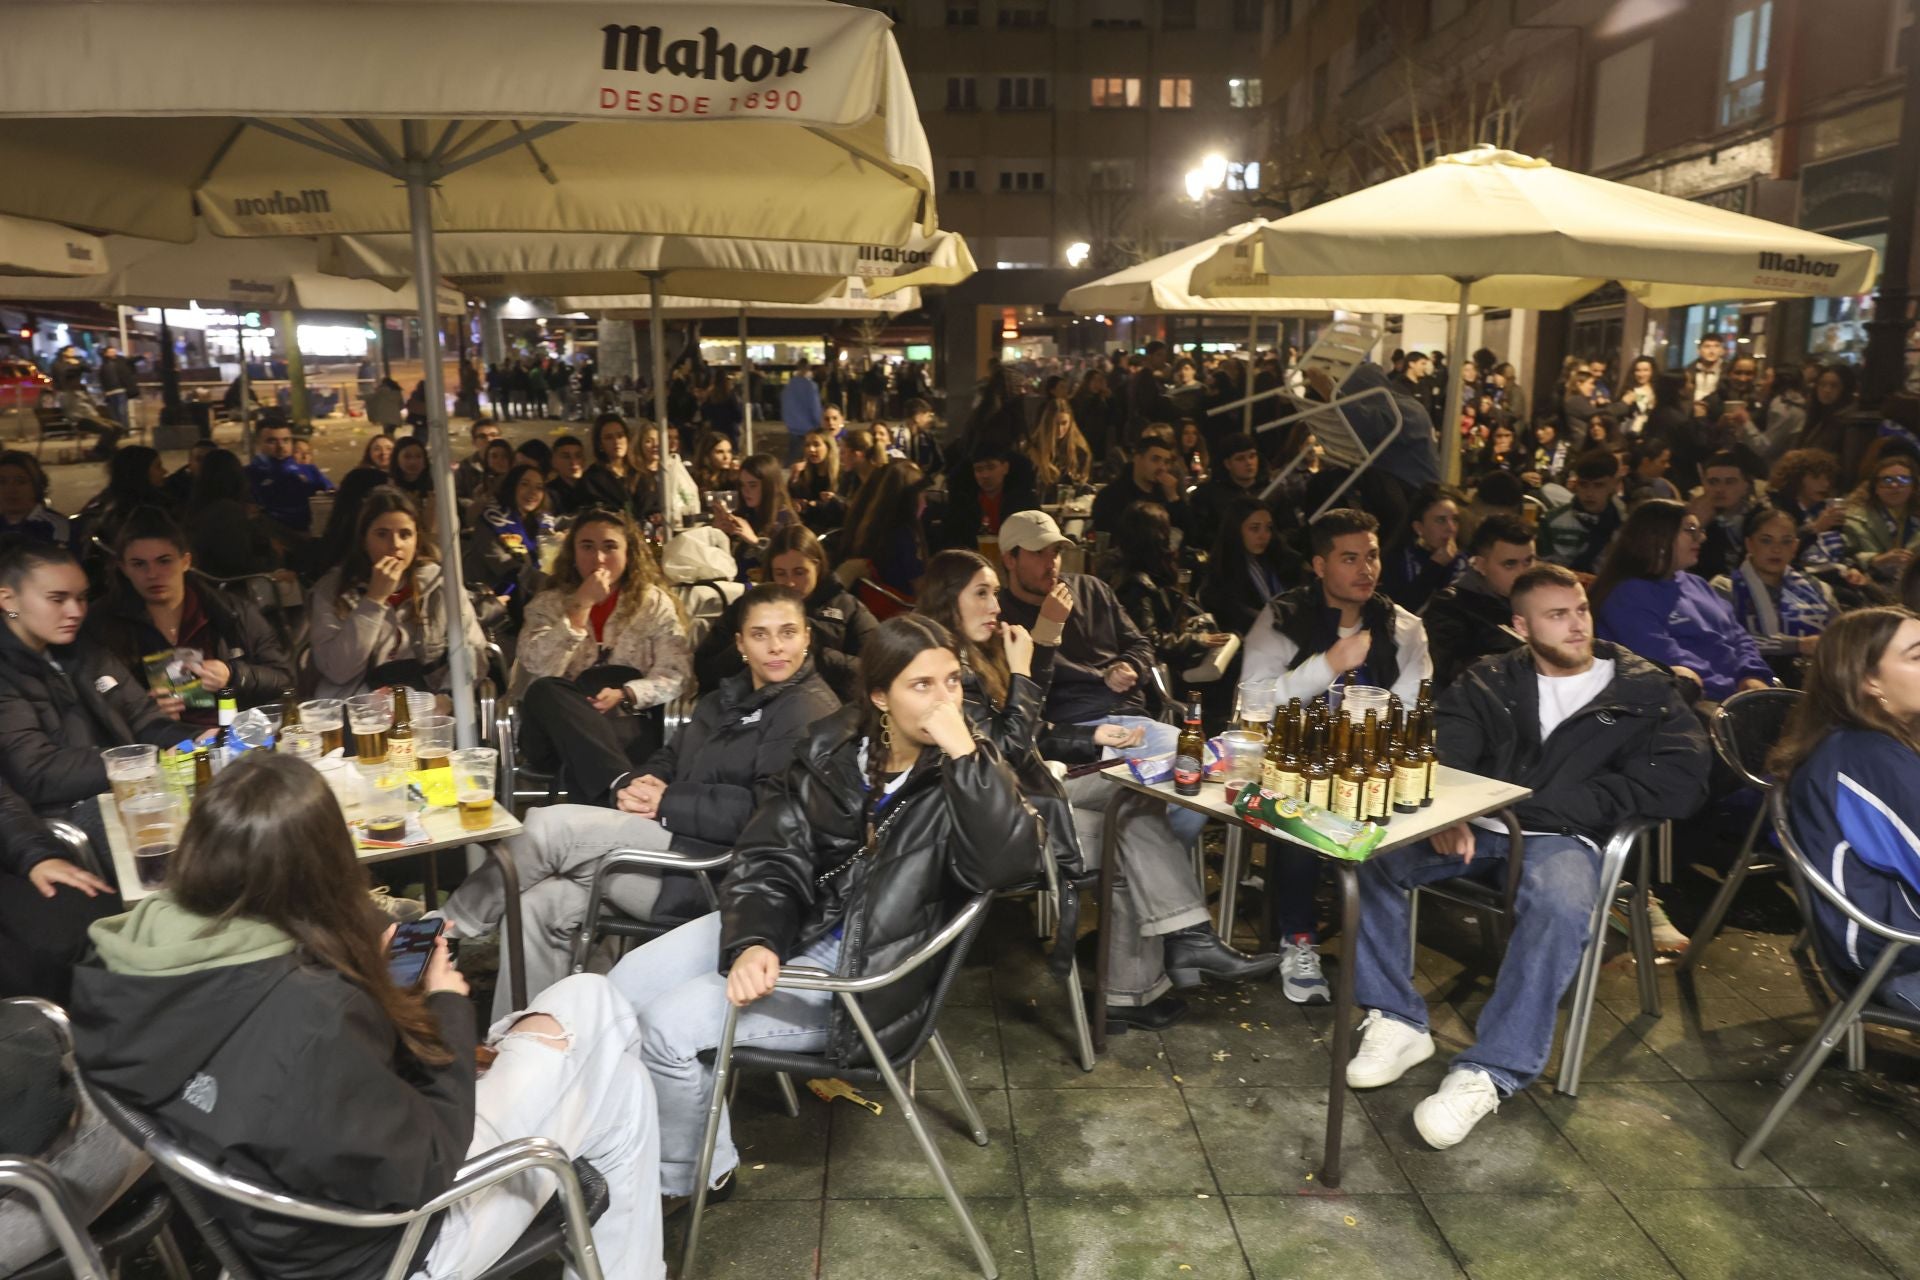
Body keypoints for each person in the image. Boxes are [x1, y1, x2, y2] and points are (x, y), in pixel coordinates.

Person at [68, 752, 665, 1278]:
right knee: (593, 1001)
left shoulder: (122, 963)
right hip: (390, 1248)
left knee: (620, 1091)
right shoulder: (312, 1016)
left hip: (262, 1221)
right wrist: (447, 1004)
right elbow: (428, 1162)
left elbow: (272, 1073)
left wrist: (364, 974)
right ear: (325, 864)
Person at [604, 616, 1038, 1200]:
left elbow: (1008, 867)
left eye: (953, 682)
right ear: (881, 696)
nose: (946, 701)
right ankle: (617, 1144)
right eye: (923, 685)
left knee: (666, 1030)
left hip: (864, 970)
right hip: (795, 920)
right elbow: (768, 853)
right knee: (618, 991)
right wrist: (756, 938)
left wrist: (965, 753)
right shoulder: (832, 749)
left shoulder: (968, 767)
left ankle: (690, 1177)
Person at [1344, 563, 1710, 1148]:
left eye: (1581, 610)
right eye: (1557, 615)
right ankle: (1396, 1018)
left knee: (1564, 906)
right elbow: (1444, 745)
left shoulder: (1643, 690)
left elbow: (1681, 781)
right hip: (1479, 826)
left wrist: (1546, 806)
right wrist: (1453, 810)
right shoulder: (1489, 679)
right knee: (1368, 854)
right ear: (1521, 625)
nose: (1575, 626)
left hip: (1564, 835)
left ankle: (1491, 1069)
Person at [443, 585, 838, 1017]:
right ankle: (526, 1044)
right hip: (676, 844)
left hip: (728, 877)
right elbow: (674, 754)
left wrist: (669, 801)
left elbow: (772, 816)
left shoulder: (806, 709)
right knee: (539, 906)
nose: (777, 646)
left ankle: (443, 933)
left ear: (807, 638)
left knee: (546, 828)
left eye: (788, 632)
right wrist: (646, 783)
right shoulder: (725, 697)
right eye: (760, 635)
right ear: (741, 645)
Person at [992, 511, 1277, 1019]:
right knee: (1178, 776)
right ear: (1009, 558)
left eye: (1057, 550)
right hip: (1075, 743)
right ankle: (1181, 936)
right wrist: (1046, 632)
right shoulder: (1006, 620)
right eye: (1038, 553)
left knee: (1172, 785)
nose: (1052, 562)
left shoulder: (1093, 589)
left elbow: (1143, 642)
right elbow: (1025, 708)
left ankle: (1168, 940)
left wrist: (1132, 666)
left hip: (1131, 722)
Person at [1771, 606, 1920, 1015]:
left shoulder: (1878, 743)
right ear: (1869, 680)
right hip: (1900, 959)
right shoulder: (1867, 758)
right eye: (1917, 655)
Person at [0, 541, 194, 851]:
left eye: (81, 598)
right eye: (57, 599)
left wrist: (196, 740)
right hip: (66, 817)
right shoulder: (6, 673)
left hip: (131, 792)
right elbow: (36, 772)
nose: (75, 611)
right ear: (8, 599)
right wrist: (142, 763)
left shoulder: (84, 649)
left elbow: (145, 718)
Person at [507, 509, 692, 792]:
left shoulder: (653, 603)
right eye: (587, 547)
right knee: (545, 689)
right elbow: (536, 666)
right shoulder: (548, 603)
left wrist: (627, 694)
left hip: (625, 722)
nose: (599, 558)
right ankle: (622, 789)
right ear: (573, 552)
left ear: (629, 553)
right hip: (553, 732)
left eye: (610, 547)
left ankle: (612, 791)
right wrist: (579, 608)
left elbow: (677, 674)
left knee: (596, 752)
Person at [86, 508, 294, 726]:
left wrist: (232, 675)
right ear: (124, 568)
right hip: (158, 746)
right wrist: (143, 710)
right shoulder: (103, 623)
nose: (152, 574)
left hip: (234, 736)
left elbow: (284, 679)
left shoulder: (230, 611)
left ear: (185, 562)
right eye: (139, 564)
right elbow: (91, 702)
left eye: (164, 561)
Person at [307, 486, 487, 699]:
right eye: (382, 534)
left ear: (416, 540)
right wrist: (374, 600)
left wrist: (448, 697)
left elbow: (472, 648)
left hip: (426, 702)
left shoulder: (438, 583)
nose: (395, 545)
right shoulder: (333, 589)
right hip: (358, 707)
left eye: (405, 534)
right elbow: (338, 671)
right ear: (364, 540)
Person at [1240, 508, 1432, 704]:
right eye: (1350, 559)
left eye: (1372, 556)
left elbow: (1409, 712)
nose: (1366, 570)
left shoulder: (1405, 628)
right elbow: (1253, 703)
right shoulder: (1282, 619)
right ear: (1320, 567)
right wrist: (1328, 665)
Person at [1592, 498, 1774, 702]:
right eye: (1690, 531)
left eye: (1700, 530)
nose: (1702, 538)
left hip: (1740, 694)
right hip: (1693, 705)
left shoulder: (1697, 583)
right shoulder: (1625, 596)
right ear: (1658, 538)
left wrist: (1752, 675)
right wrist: (1737, 692)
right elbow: (1665, 660)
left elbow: (1738, 635)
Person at [693, 523, 876, 700]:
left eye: (799, 572)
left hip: (827, 710)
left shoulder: (846, 607)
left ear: (817, 567)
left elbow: (878, 670)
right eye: (781, 573)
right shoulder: (748, 608)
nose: (790, 583)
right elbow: (706, 670)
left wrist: (817, 655)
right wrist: (748, 651)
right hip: (755, 710)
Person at [1712, 505, 1838, 684]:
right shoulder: (1725, 587)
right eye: (1766, 540)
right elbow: (1724, 641)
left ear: (1795, 546)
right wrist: (1797, 644)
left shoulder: (1818, 588)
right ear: (1749, 544)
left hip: (1817, 682)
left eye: (1786, 541)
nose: (1776, 549)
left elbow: (1842, 637)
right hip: (1749, 682)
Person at [1110, 501, 1230, 680]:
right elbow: (1149, 640)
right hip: (1164, 674)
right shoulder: (1136, 585)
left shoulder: (1144, 575)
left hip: (1170, 665)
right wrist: (1197, 641)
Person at [1423, 514, 1536, 689]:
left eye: (1528, 561)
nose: (1523, 573)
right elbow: (1457, 673)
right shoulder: (1450, 607)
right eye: (1510, 564)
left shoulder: (1542, 601)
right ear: (1480, 565)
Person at [1199, 496, 1302, 638]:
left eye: (1269, 528)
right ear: (1236, 530)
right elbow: (1235, 617)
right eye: (1254, 528)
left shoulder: (1284, 560)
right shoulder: (1221, 574)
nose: (1263, 535)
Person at [469, 461, 558, 604]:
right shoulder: (490, 521)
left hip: (537, 596)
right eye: (525, 484)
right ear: (512, 486)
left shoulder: (541, 521)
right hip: (496, 601)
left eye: (539, 487)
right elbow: (504, 565)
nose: (532, 492)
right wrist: (550, 582)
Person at [936, 440, 1040, 555]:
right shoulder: (963, 504)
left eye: (991, 467)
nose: (985, 475)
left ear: (1005, 468)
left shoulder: (1024, 501)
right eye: (979, 469)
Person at [844, 460, 930, 598]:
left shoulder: (869, 525)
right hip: (902, 609)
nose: (925, 504)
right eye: (922, 495)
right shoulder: (904, 535)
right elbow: (921, 590)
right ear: (910, 498)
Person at [1089, 427, 1189, 540]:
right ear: (1137, 458)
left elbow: (1187, 533)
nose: (1162, 467)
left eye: (1166, 462)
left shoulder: (1165, 493)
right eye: (1155, 459)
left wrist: (1173, 498)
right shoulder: (1111, 495)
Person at [1537, 449, 1625, 575]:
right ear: (1576, 484)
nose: (1589, 493)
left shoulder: (1624, 525)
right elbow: (1541, 571)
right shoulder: (1551, 521)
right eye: (1584, 485)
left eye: (1598, 485)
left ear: (1613, 484)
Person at [1381, 485, 1466, 613]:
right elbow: (1400, 612)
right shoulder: (1396, 559)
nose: (1451, 528)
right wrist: (1435, 566)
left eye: (1455, 520)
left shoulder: (1464, 562)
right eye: (1441, 520)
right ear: (1419, 528)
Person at [709, 452, 795, 577]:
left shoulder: (785, 519)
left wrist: (755, 541)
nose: (746, 491)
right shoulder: (747, 515)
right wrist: (719, 532)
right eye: (742, 485)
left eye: (753, 485)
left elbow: (786, 567)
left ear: (769, 486)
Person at [1842, 448, 1920, 584]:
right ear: (1875, 488)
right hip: (1872, 586)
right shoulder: (1853, 520)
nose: (1895, 485)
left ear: (1913, 487)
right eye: (1887, 480)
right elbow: (1843, 558)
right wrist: (1875, 560)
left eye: (1903, 480)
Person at [1187, 432, 1265, 552]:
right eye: (1240, 458)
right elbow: (1199, 534)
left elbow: (1288, 528)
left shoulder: (1272, 490)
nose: (1249, 463)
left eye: (1252, 456)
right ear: (1227, 464)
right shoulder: (1208, 495)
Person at [246, 422, 328, 535]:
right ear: (258, 443)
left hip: (304, 536)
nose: (281, 446)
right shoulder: (249, 474)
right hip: (266, 538)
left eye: (286, 440)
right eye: (272, 441)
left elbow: (332, 495)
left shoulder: (309, 470)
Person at [1691, 450, 1760, 581]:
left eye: (1730, 482)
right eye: (1713, 482)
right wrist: (1696, 527)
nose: (1720, 489)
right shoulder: (1692, 518)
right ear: (1704, 486)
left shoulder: (1760, 520)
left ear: (1746, 486)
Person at [1022, 396, 1094, 496]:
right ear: (1047, 423)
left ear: (1071, 423)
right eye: (1055, 424)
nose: (1060, 429)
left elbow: (1083, 483)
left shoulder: (1080, 450)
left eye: (1064, 423)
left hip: (1070, 505)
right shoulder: (1032, 447)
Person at [0, 450, 71, 547]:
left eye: (21, 482)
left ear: (36, 486)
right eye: (2, 482)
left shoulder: (56, 525)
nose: (11, 489)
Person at [790, 426, 841, 530]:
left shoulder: (841, 474)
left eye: (816, 445)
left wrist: (816, 505)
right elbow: (788, 498)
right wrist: (794, 502)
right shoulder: (802, 473)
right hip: (806, 528)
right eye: (807, 445)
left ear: (828, 447)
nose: (811, 449)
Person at [780, 359, 823, 463]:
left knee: (793, 457)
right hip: (809, 427)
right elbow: (815, 407)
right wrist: (819, 423)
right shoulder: (810, 386)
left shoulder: (789, 386)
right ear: (808, 369)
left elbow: (785, 405)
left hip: (793, 427)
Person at [454, 419, 503, 504]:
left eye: (493, 435)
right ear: (474, 442)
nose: (489, 439)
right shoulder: (464, 467)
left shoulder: (512, 463)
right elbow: (457, 497)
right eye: (482, 436)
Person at [95, 345, 139, 432]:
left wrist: (140, 357)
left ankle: (125, 430)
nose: (113, 353)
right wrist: (105, 392)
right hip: (110, 392)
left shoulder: (121, 361)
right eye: (110, 352)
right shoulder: (103, 366)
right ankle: (118, 431)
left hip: (121, 390)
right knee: (114, 414)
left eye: (114, 351)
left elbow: (130, 362)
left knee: (122, 411)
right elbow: (102, 380)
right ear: (106, 354)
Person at [1623, 439, 1679, 505]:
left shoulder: (1661, 483)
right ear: (1646, 462)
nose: (1668, 466)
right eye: (1663, 462)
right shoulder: (1643, 491)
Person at [388, 435, 436, 504]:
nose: (413, 462)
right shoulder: (389, 488)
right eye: (407, 456)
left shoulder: (435, 485)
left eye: (418, 456)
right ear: (396, 460)